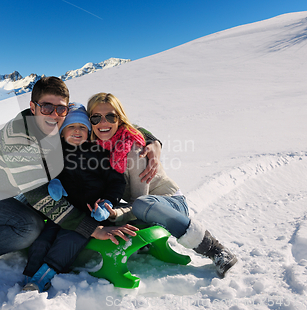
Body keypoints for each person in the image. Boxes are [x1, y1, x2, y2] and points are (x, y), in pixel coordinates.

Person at [0, 78, 138, 283]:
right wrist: (94, 229)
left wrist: (148, 141)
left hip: (7, 191)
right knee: (29, 228)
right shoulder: (20, 139)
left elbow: (102, 120)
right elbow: (40, 197)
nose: (54, 114)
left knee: (39, 219)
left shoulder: (50, 126)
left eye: (61, 109)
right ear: (33, 107)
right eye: (47, 107)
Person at [86, 92, 237, 278]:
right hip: (138, 207)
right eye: (96, 117)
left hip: (167, 204)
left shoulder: (134, 148)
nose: (103, 122)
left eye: (110, 116)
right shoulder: (95, 147)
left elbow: (138, 201)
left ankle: (216, 250)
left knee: (141, 205)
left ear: (119, 118)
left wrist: (116, 213)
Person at [21, 103, 136, 292]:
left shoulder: (101, 153)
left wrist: (108, 202)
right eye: (71, 127)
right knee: (43, 239)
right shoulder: (55, 153)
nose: (77, 131)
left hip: (92, 213)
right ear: (62, 131)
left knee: (70, 239)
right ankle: (29, 274)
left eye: (82, 127)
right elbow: (47, 173)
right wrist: (54, 182)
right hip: (62, 211)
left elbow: (116, 183)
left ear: (90, 131)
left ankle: (43, 278)